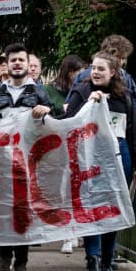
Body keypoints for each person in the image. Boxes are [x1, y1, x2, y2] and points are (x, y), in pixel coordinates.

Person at [65, 51, 136, 271]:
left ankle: (108, 259)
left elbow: (133, 134)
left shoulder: (125, 96)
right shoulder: (82, 91)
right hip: (91, 155)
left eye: (101, 68)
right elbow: (67, 122)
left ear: (113, 72)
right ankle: (93, 259)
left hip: (121, 154)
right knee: (92, 206)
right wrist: (89, 104)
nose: (95, 72)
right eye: (93, 68)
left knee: (113, 207)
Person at [0, 43, 53, 271]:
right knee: (3, 211)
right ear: (7, 65)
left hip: (29, 163)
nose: (18, 64)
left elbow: (55, 124)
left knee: (23, 213)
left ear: (28, 65)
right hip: (1, 163)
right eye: (14, 60)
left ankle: (21, 264)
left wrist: (47, 111)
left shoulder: (40, 93)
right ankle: (4, 258)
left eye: (22, 60)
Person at [43, 54, 86, 254]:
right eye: (77, 73)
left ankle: (75, 231)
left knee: (77, 188)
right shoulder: (51, 91)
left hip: (79, 145)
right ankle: (66, 232)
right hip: (58, 146)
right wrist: (63, 109)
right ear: (68, 73)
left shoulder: (83, 90)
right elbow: (48, 115)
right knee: (61, 189)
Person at [68, 34, 136, 124]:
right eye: (118, 57)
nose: (121, 62)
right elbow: (68, 108)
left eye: (124, 58)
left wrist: (128, 127)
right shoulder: (85, 76)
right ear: (107, 55)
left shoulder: (127, 79)